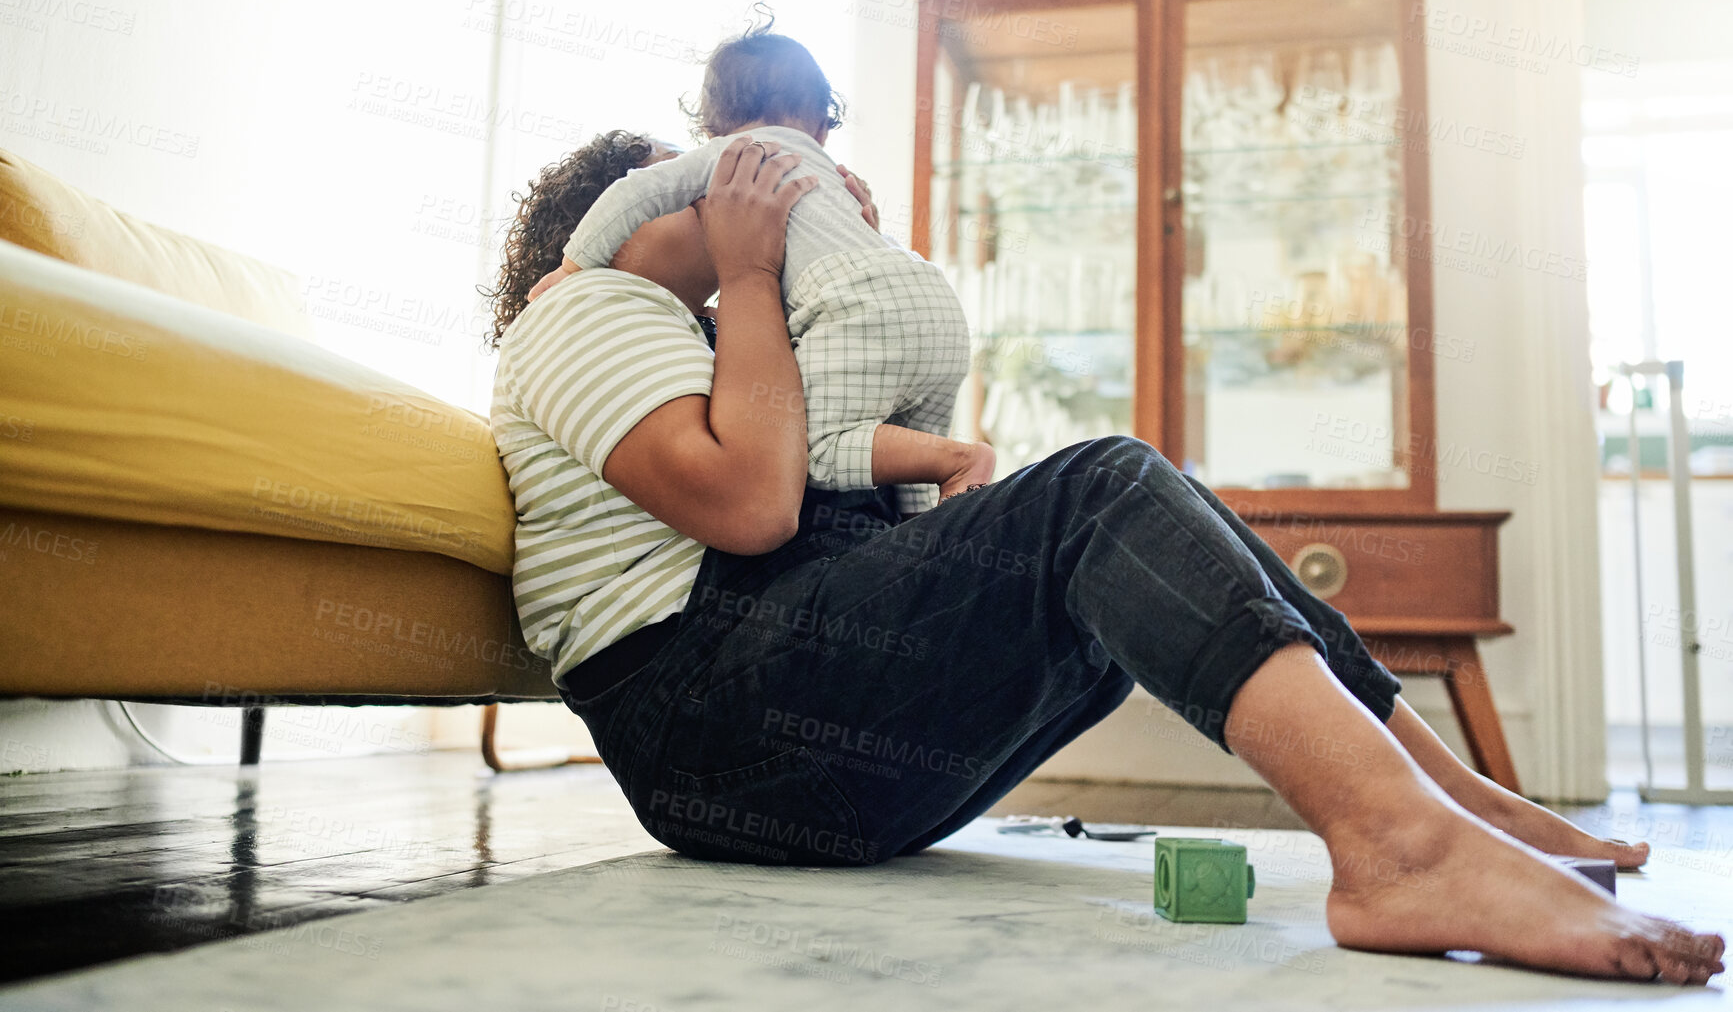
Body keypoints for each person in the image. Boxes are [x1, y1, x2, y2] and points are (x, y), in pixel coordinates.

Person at [483, 132, 1725, 985]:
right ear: (629, 212)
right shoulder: (578, 311)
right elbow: (751, 509)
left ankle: (1438, 797)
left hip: (785, 719)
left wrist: (852, 336)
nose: (742, 195)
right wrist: (753, 269)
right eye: (706, 181)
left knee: (1154, 493)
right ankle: (1400, 853)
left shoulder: (703, 336)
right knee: (1100, 487)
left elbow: (805, 465)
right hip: (710, 723)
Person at [532, 16, 986, 514]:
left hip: (870, 299)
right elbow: (758, 498)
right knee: (914, 493)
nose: (721, 195)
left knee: (823, 446)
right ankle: (947, 508)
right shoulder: (585, 312)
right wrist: (575, 269)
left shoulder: (728, 295)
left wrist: (854, 243)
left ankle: (954, 482)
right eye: (686, 194)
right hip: (936, 301)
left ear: (713, 123)